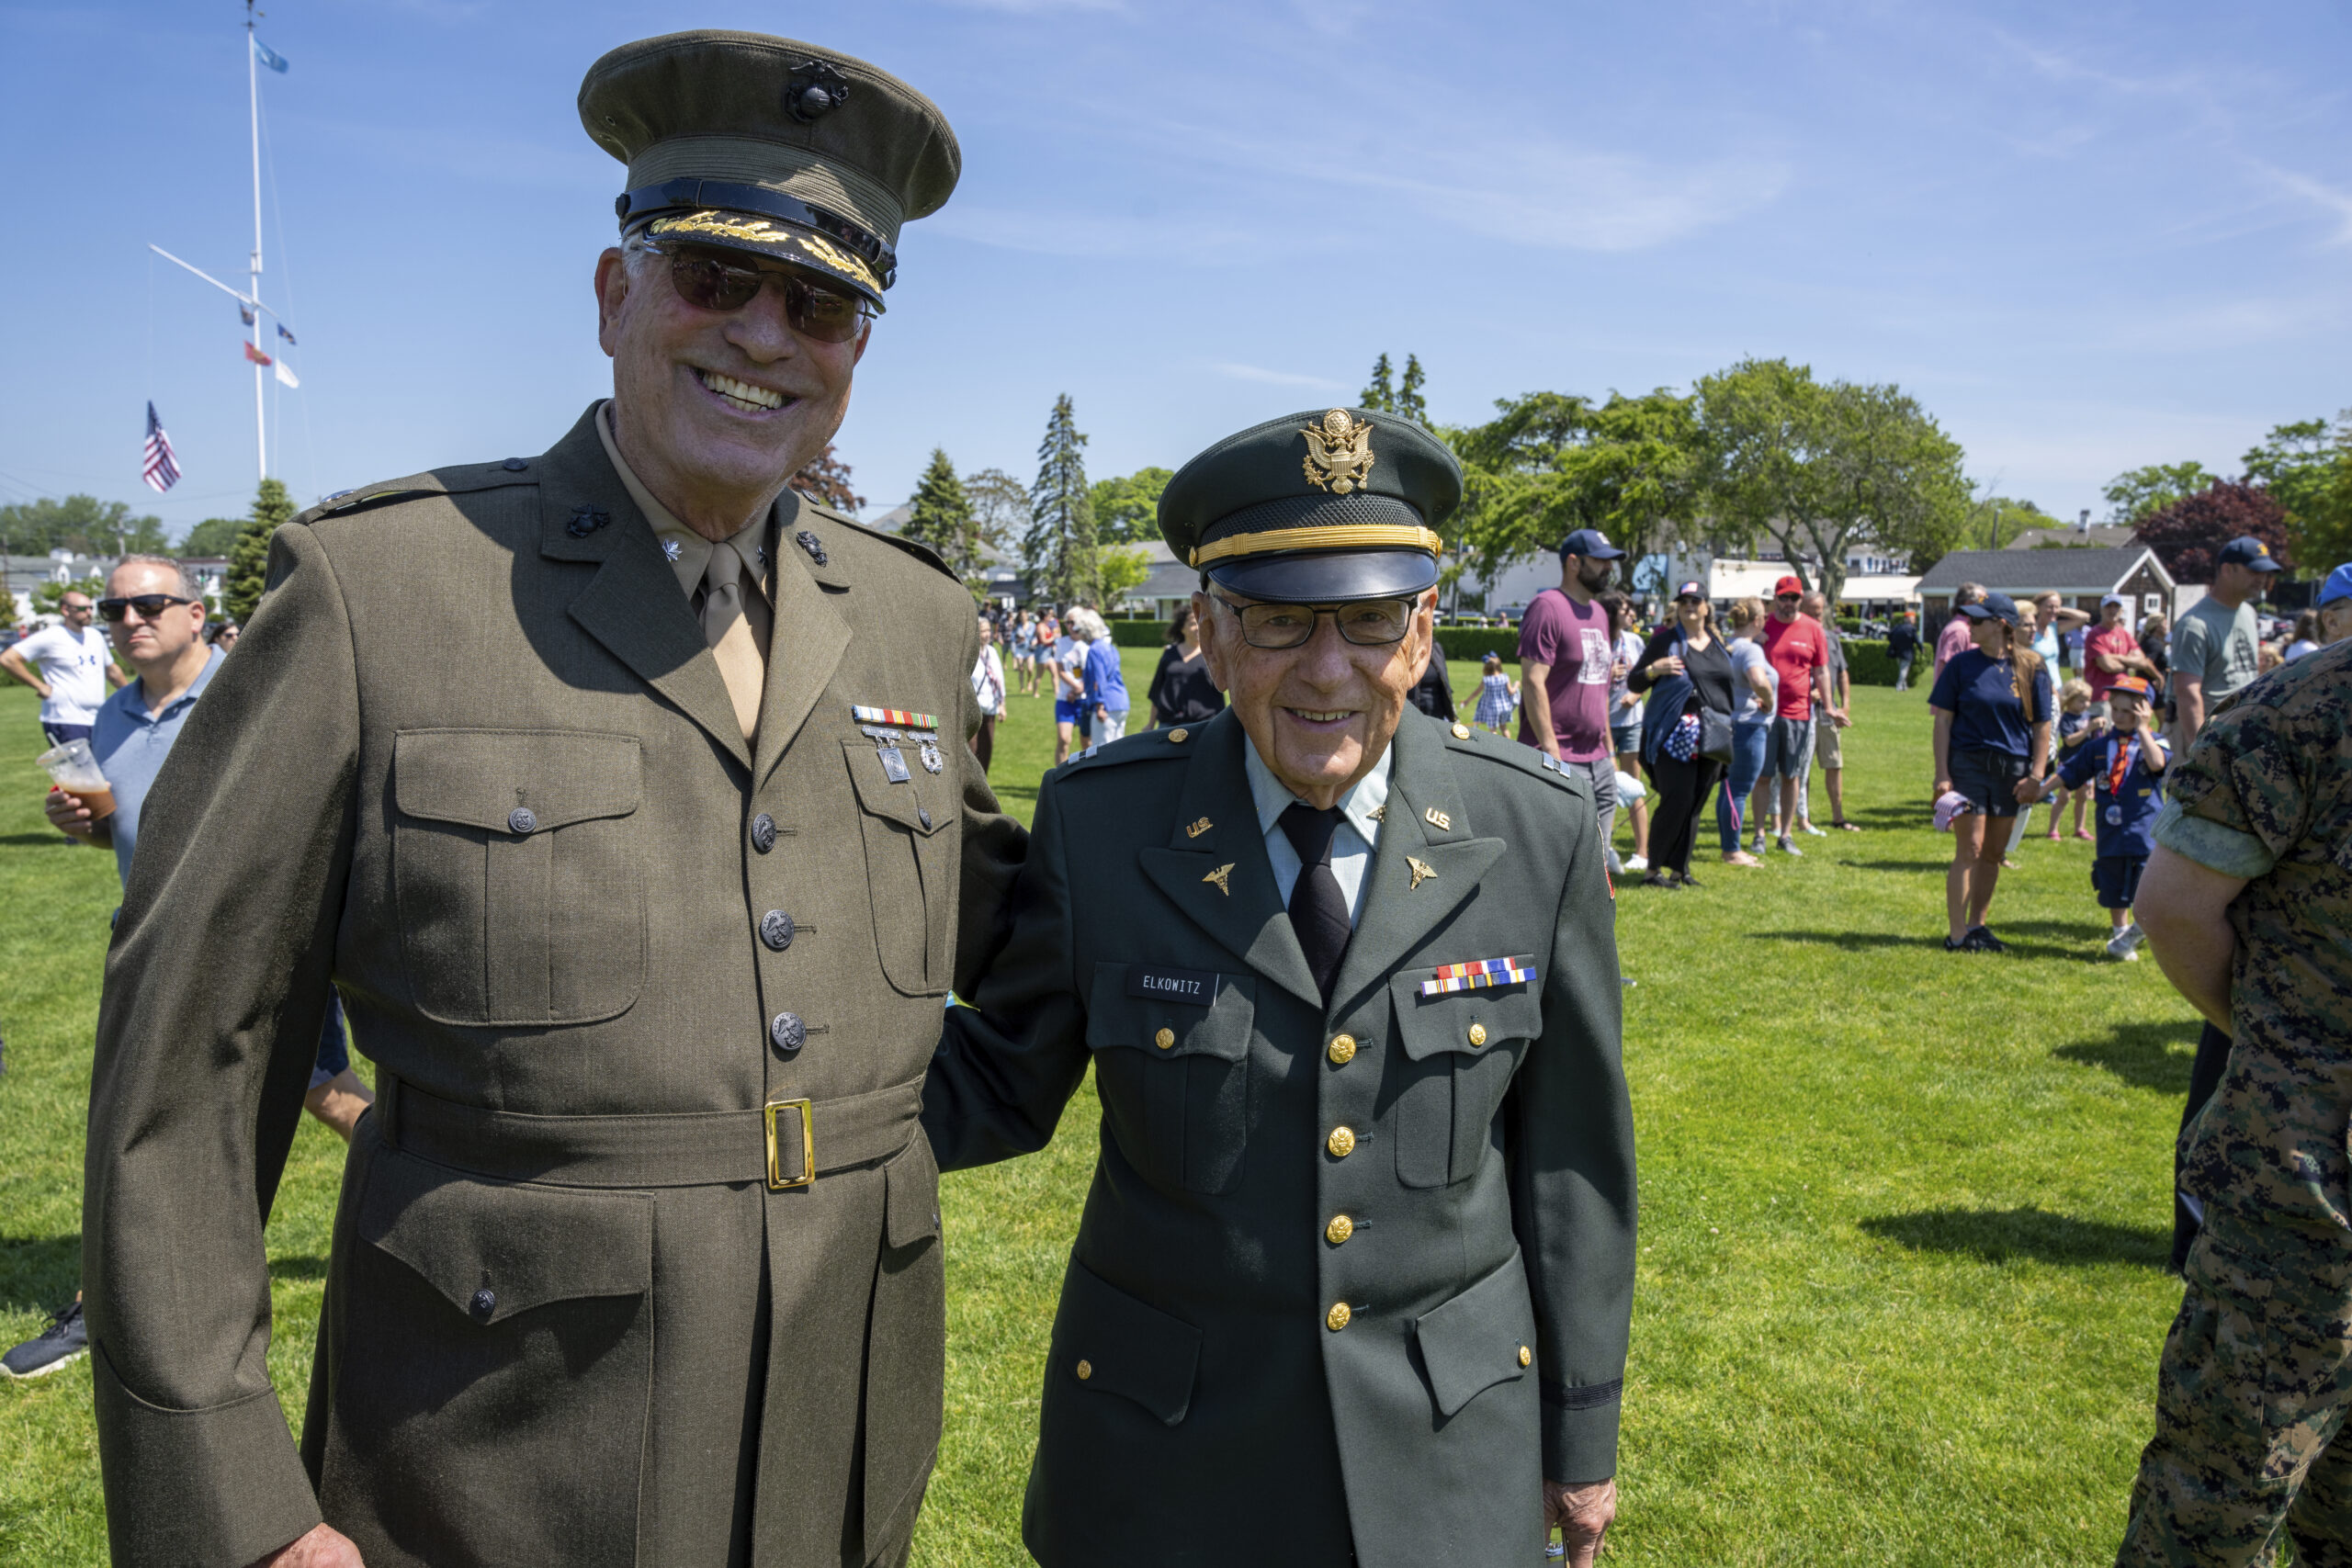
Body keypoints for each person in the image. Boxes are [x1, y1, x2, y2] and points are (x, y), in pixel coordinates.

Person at [80, 34, 1027, 1568]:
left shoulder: (914, 616)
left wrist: (884, 1146)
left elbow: (1036, 945)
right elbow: (190, 1062)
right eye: (717, 277)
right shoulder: (383, 592)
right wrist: (235, 1513)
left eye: (823, 302)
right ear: (615, 296)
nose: (766, 335)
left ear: (861, 342)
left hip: (835, 1455)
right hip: (496, 1465)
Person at [920, 406, 1635, 1568]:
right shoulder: (1105, 824)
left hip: (1445, 1446)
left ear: (1422, 629)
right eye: (1277, 623)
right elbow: (1001, 1078)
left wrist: (1582, 1429)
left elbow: (1573, 1163)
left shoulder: (1535, 824)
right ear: (1203, 629)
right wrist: (765, 1112)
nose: (1326, 670)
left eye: (1365, 624)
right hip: (1168, 1456)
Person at [6, 558, 372, 1385]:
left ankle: (423, 1178)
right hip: (148, 951)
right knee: (136, 1124)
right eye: (115, 607)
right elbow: (122, 830)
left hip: (260, 948)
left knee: (326, 1092)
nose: (131, 618)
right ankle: (102, 1305)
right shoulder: (108, 718)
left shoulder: (253, 697)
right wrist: (78, 824)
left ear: (195, 613)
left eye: (149, 603)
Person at [2113, 637, 2352, 1565]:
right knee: (2214, 1508)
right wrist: (2290, 1052)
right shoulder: (2303, 710)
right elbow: (2174, 909)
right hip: (2303, 1203)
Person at [1928, 592, 2052, 952]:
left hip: (2012, 770)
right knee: (1971, 847)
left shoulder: (2032, 666)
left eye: (1978, 620)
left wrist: (2037, 775)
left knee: (1994, 853)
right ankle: (1956, 934)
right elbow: (1943, 722)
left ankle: (1977, 925)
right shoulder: (1961, 666)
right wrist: (1942, 774)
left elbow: (2043, 725)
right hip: (1967, 764)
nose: (1971, 625)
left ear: (2000, 625)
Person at [2038, 675, 2165, 961]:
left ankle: (2135, 932)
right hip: (2111, 831)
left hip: (2145, 832)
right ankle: (2120, 934)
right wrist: (2040, 790)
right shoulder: (2098, 747)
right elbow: (2070, 771)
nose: (2118, 716)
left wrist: (2143, 729)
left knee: (2147, 889)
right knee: (2113, 885)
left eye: (2128, 711)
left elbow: (2158, 764)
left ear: (2143, 711)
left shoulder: (2154, 741)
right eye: (2115, 709)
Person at [1518, 528, 1623, 858]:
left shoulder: (1600, 613)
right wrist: (1552, 752)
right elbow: (1533, 681)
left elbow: (1601, 684)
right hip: (1558, 756)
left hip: (1598, 758)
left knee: (1596, 861)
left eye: (1610, 562)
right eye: (1601, 561)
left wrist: (1609, 748)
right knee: (1556, 859)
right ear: (1574, 563)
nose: (1609, 568)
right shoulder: (1547, 607)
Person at [1629, 581, 1736, 889]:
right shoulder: (1665, 642)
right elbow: (1635, 683)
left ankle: (1680, 869)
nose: (1689, 605)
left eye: (1695, 600)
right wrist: (1654, 670)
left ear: (1706, 607)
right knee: (1677, 799)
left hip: (1713, 735)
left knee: (1696, 803)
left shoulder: (1717, 641)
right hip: (1674, 736)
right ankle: (1652, 871)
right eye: (1684, 600)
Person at [1756, 576, 1829, 856]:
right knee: (1763, 776)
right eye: (1783, 597)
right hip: (1765, 713)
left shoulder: (1813, 629)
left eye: (1793, 598)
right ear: (1775, 599)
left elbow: (1821, 670)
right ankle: (1759, 834)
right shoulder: (1761, 625)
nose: (1788, 603)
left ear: (1801, 600)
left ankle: (1785, 835)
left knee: (1791, 775)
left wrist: (1831, 706)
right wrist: (1752, 637)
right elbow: (1737, 650)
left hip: (1798, 713)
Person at [2, 587, 128, 743]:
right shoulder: (51, 636)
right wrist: (40, 686)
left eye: (90, 608)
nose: (89, 612)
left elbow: (112, 671)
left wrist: (133, 696)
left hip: (96, 718)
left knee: (103, 766)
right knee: (78, 768)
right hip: (65, 720)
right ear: (65, 610)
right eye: (82, 608)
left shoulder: (94, 636)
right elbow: (8, 659)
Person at [1717, 597, 1773, 868]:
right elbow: (1758, 680)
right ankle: (1732, 851)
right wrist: (1770, 701)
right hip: (1749, 726)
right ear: (1757, 620)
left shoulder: (1726, 645)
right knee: (1738, 790)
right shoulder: (1751, 650)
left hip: (1727, 724)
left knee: (1727, 789)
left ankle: (1730, 846)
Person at [1799, 589, 1858, 832]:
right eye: (1811, 613)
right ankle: (1803, 817)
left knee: (1834, 764)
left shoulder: (1831, 638)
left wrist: (1844, 703)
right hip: (1802, 712)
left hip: (1828, 712)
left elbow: (1842, 672)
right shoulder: (1798, 635)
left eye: (1819, 614)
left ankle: (1838, 817)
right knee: (1803, 768)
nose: (1816, 618)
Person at [1603, 592, 1651, 873]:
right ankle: (1604, 848)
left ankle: (1642, 852)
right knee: (1603, 789)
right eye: (1625, 610)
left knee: (1634, 786)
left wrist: (1635, 694)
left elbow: (1646, 675)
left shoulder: (1635, 641)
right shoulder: (1599, 640)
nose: (1631, 614)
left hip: (1631, 721)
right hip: (1602, 723)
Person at [1145, 603, 1225, 729]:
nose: (1198, 627)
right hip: (1168, 725)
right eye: (1193, 623)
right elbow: (1157, 692)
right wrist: (1150, 724)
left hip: (1204, 726)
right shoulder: (1169, 654)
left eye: (1201, 622)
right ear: (1182, 628)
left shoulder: (1214, 655)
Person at [2041, 678, 2098, 840]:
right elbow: (2069, 740)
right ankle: (2053, 829)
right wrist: (2088, 729)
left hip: (2086, 764)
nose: (2086, 704)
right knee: (2064, 797)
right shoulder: (2066, 718)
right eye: (2082, 701)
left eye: (2088, 700)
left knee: (2082, 797)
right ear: (2070, 700)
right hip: (2069, 763)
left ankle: (2079, 828)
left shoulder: (2088, 716)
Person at [2084, 593, 2159, 711]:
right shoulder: (2095, 634)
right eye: (2109, 606)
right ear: (2101, 610)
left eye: (2116, 607)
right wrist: (2129, 662)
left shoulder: (2123, 633)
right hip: (2102, 697)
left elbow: (2142, 662)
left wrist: (2117, 657)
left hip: (2123, 693)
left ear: (2121, 611)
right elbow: (2108, 666)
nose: (2113, 610)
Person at [1077, 607, 1130, 745]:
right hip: (1121, 702)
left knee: (1102, 752)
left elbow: (1098, 679)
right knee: (1119, 751)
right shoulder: (1110, 647)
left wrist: (1099, 705)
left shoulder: (1094, 650)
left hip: (1106, 704)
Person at [1051, 608, 1089, 762]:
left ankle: (1088, 777)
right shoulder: (1062, 643)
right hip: (1065, 698)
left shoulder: (1087, 642)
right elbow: (1060, 670)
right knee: (1064, 739)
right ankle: (1060, 778)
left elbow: (1094, 671)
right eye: (1067, 622)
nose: (1070, 625)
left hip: (1085, 699)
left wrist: (1080, 689)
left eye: (1073, 622)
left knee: (1087, 743)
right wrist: (1075, 687)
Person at [971, 613, 1007, 773]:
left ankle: (983, 784)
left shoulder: (992, 652)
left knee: (987, 748)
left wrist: (1002, 704)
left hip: (990, 707)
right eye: (982, 631)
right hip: (973, 709)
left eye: (988, 631)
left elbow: (999, 679)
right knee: (972, 749)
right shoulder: (970, 654)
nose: (986, 635)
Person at [1933, 582, 1986, 681]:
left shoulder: (1964, 628)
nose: (1986, 606)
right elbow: (1949, 671)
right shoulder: (1960, 631)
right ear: (1968, 603)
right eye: (1982, 601)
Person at [1473, 652, 1520, 732]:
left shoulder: (1486, 680)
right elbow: (1511, 692)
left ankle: (1494, 745)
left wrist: (1466, 702)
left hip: (1493, 708)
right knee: (1504, 728)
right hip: (1505, 707)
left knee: (1493, 730)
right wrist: (1516, 685)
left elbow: (1476, 693)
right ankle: (1509, 744)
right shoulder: (1505, 677)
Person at [1887, 611, 1920, 691]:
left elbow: (1889, 636)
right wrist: (1922, 649)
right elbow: (1917, 641)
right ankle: (1899, 685)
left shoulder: (1898, 627)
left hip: (1897, 652)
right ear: (1910, 619)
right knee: (1904, 670)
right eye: (1913, 619)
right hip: (1907, 652)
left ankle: (1904, 686)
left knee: (1902, 669)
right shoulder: (1912, 629)